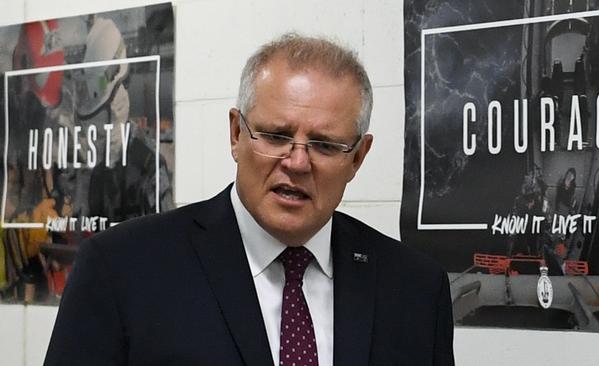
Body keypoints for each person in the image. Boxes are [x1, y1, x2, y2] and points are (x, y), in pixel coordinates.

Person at [45, 33, 454, 366]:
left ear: (358, 157)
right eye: (276, 136)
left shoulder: (416, 288)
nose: (296, 162)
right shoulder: (122, 268)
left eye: (325, 145)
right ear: (236, 135)